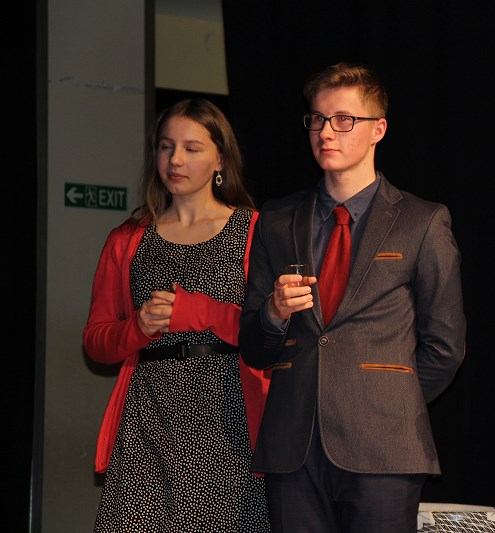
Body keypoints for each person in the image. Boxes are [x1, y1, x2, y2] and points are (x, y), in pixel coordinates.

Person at [239, 62, 467, 532]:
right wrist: (274, 313)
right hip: (292, 445)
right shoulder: (277, 220)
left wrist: (387, 401)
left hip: (384, 445)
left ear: (378, 129)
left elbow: (445, 345)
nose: (326, 132)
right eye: (317, 119)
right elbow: (254, 349)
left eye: (344, 119)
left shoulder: (422, 221)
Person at [83, 98, 271, 532]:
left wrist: (197, 312)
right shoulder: (128, 238)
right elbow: (96, 341)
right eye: (166, 147)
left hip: (227, 416)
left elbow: (271, 331)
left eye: (192, 148)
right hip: (148, 415)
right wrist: (137, 328)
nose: (175, 160)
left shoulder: (256, 231)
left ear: (220, 158)